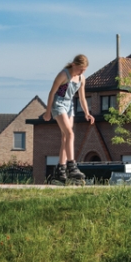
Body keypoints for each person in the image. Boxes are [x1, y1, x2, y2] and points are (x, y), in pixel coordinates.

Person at [41, 54, 94, 184]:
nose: (81, 72)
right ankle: (72, 166)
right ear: (74, 65)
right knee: (70, 133)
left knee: (65, 137)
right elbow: (52, 92)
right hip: (58, 104)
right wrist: (48, 112)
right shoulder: (63, 75)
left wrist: (87, 113)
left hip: (69, 105)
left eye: (84, 70)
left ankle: (60, 170)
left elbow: (81, 98)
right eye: (80, 69)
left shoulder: (82, 78)